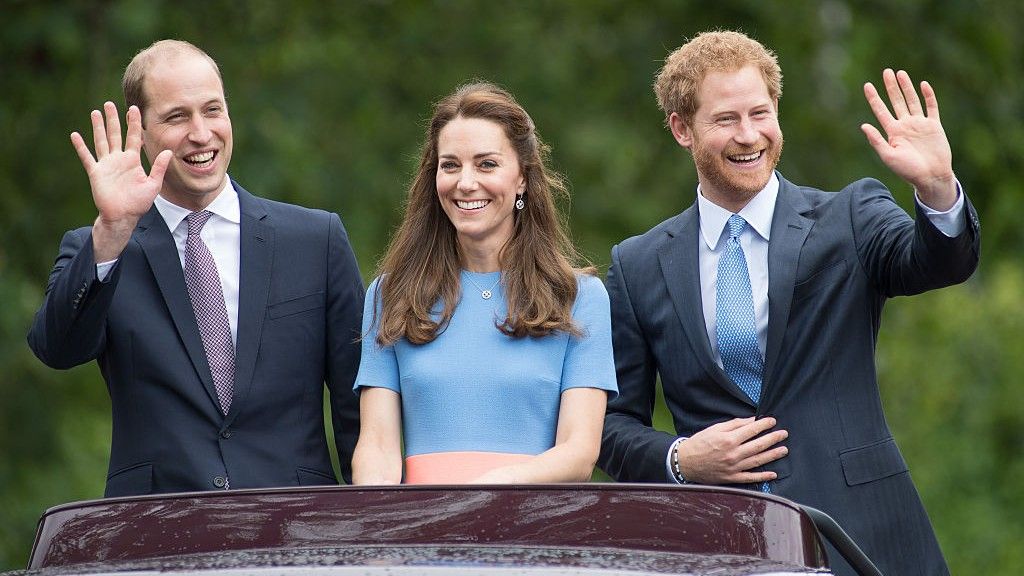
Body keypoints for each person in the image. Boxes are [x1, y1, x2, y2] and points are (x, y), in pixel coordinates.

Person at [598, 30, 978, 576]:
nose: (749, 135)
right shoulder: (637, 265)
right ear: (682, 129)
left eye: (760, 113)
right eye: (726, 119)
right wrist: (681, 460)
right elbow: (611, 426)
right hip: (719, 544)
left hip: (863, 537)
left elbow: (938, 262)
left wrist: (939, 189)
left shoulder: (850, 214)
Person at [27, 40, 365, 497]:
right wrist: (112, 229)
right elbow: (56, 348)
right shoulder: (100, 245)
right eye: (177, 117)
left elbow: (358, 413)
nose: (201, 133)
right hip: (156, 534)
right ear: (140, 131)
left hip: (295, 529)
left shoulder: (316, 240)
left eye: (212, 110)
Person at [351, 82, 617, 485]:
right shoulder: (390, 295)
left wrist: (485, 494)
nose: (465, 182)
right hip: (420, 534)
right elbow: (377, 446)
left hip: (532, 532)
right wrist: (383, 521)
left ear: (523, 178)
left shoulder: (580, 299)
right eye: (451, 165)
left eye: (486, 164)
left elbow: (579, 453)